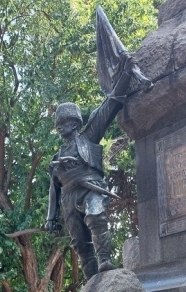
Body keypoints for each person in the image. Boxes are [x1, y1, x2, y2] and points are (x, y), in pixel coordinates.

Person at [43, 55, 139, 278]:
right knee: (79, 243)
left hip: (91, 188)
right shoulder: (57, 156)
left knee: (96, 216)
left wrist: (126, 72)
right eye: (58, 124)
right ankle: (92, 281)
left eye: (63, 123)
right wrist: (50, 217)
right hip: (68, 198)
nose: (60, 127)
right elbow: (53, 189)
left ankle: (105, 260)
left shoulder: (89, 136)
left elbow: (111, 103)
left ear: (75, 123)